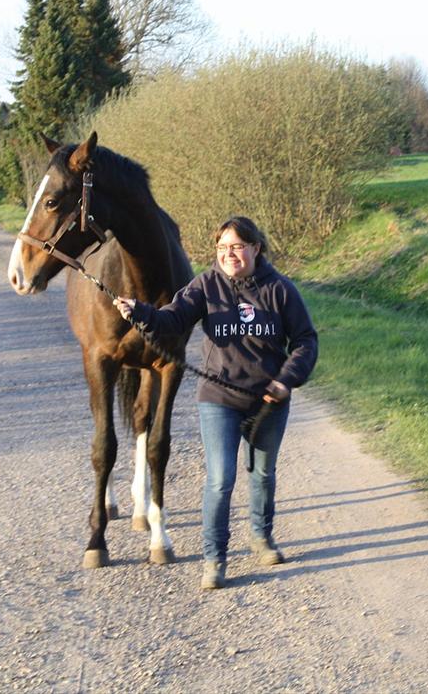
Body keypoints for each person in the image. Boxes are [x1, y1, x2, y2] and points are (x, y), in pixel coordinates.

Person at [113, 216, 318, 590]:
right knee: (221, 478)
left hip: (268, 401)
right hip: (219, 399)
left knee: (262, 475)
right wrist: (141, 312)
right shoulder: (206, 285)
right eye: (223, 248)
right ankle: (215, 559)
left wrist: (286, 381)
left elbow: (306, 341)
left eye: (237, 247)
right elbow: (173, 319)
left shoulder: (281, 290)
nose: (229, 254)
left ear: (256, 248)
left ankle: (261, 536)